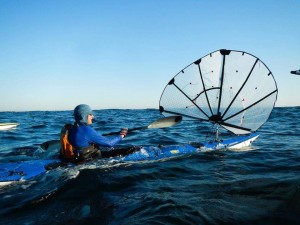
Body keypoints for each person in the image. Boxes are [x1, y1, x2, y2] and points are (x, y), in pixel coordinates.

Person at [60, 104, 137, 162]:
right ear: (84, 116)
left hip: (76, 158)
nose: (92, 116)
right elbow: (110, 143)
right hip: (90, 160)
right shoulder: (86, 130)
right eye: (90, 114)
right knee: (133, 149)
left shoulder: (70, 128)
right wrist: (121, 135)